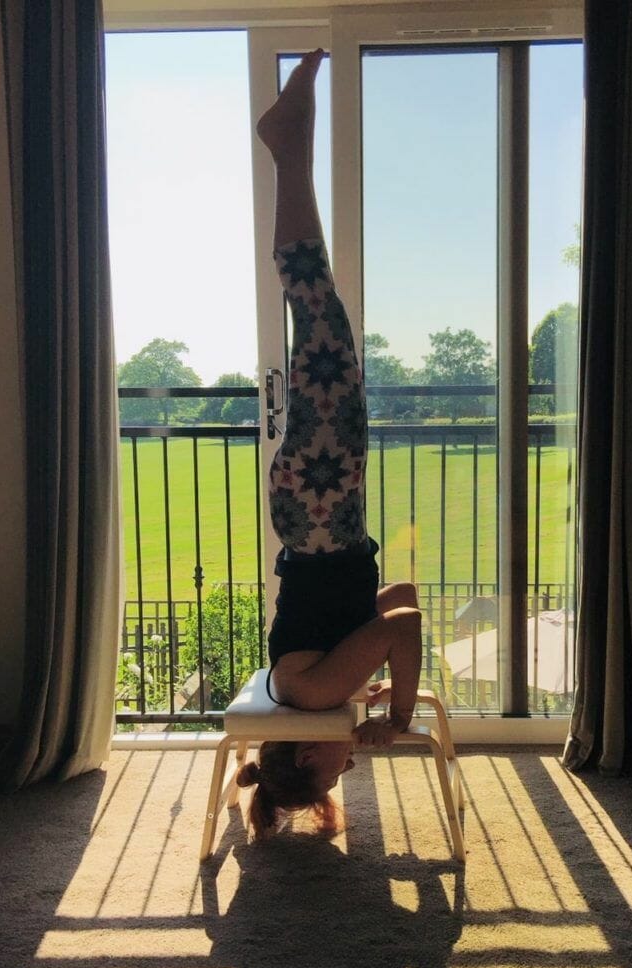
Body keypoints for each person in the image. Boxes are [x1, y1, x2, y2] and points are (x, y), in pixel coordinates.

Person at [236, 48, 422, 837]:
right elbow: (399, 602)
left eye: (336, 769)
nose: (350, 763)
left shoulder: (311, 699)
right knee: (322, 316)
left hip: (320, 505)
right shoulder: (309, 691)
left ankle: (288, 149)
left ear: (310, 757)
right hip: (319, 511)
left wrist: (401, 716)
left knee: (317, 309)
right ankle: (290, 149)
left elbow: (406, 630)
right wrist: (370, 678)